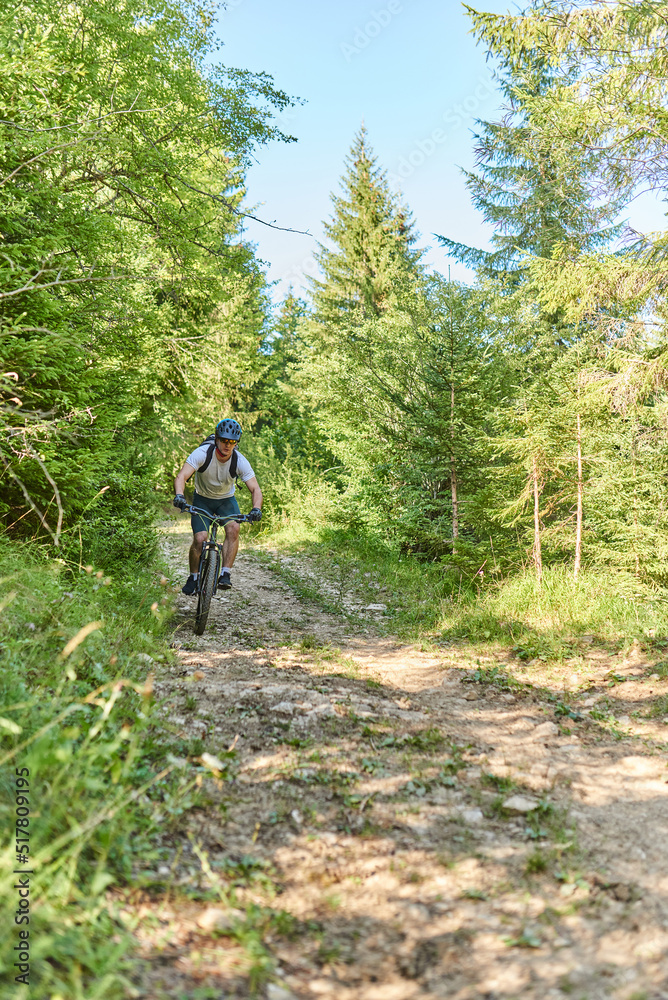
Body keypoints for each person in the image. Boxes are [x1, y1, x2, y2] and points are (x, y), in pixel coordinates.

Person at [173, 418, 262, 595]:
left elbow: (255, 488)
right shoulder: (202, 453)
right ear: (216, 439)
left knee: (234, 529)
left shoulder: (239, 460)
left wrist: (256, 508)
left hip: (226, 501)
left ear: (236, 443)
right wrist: (179, 496)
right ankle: (194, 577)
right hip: (202, 499)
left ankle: (225, 574)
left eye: (232, 442)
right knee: (200, 539)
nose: (227, 445)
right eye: (223, 440)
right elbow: (181, 476)